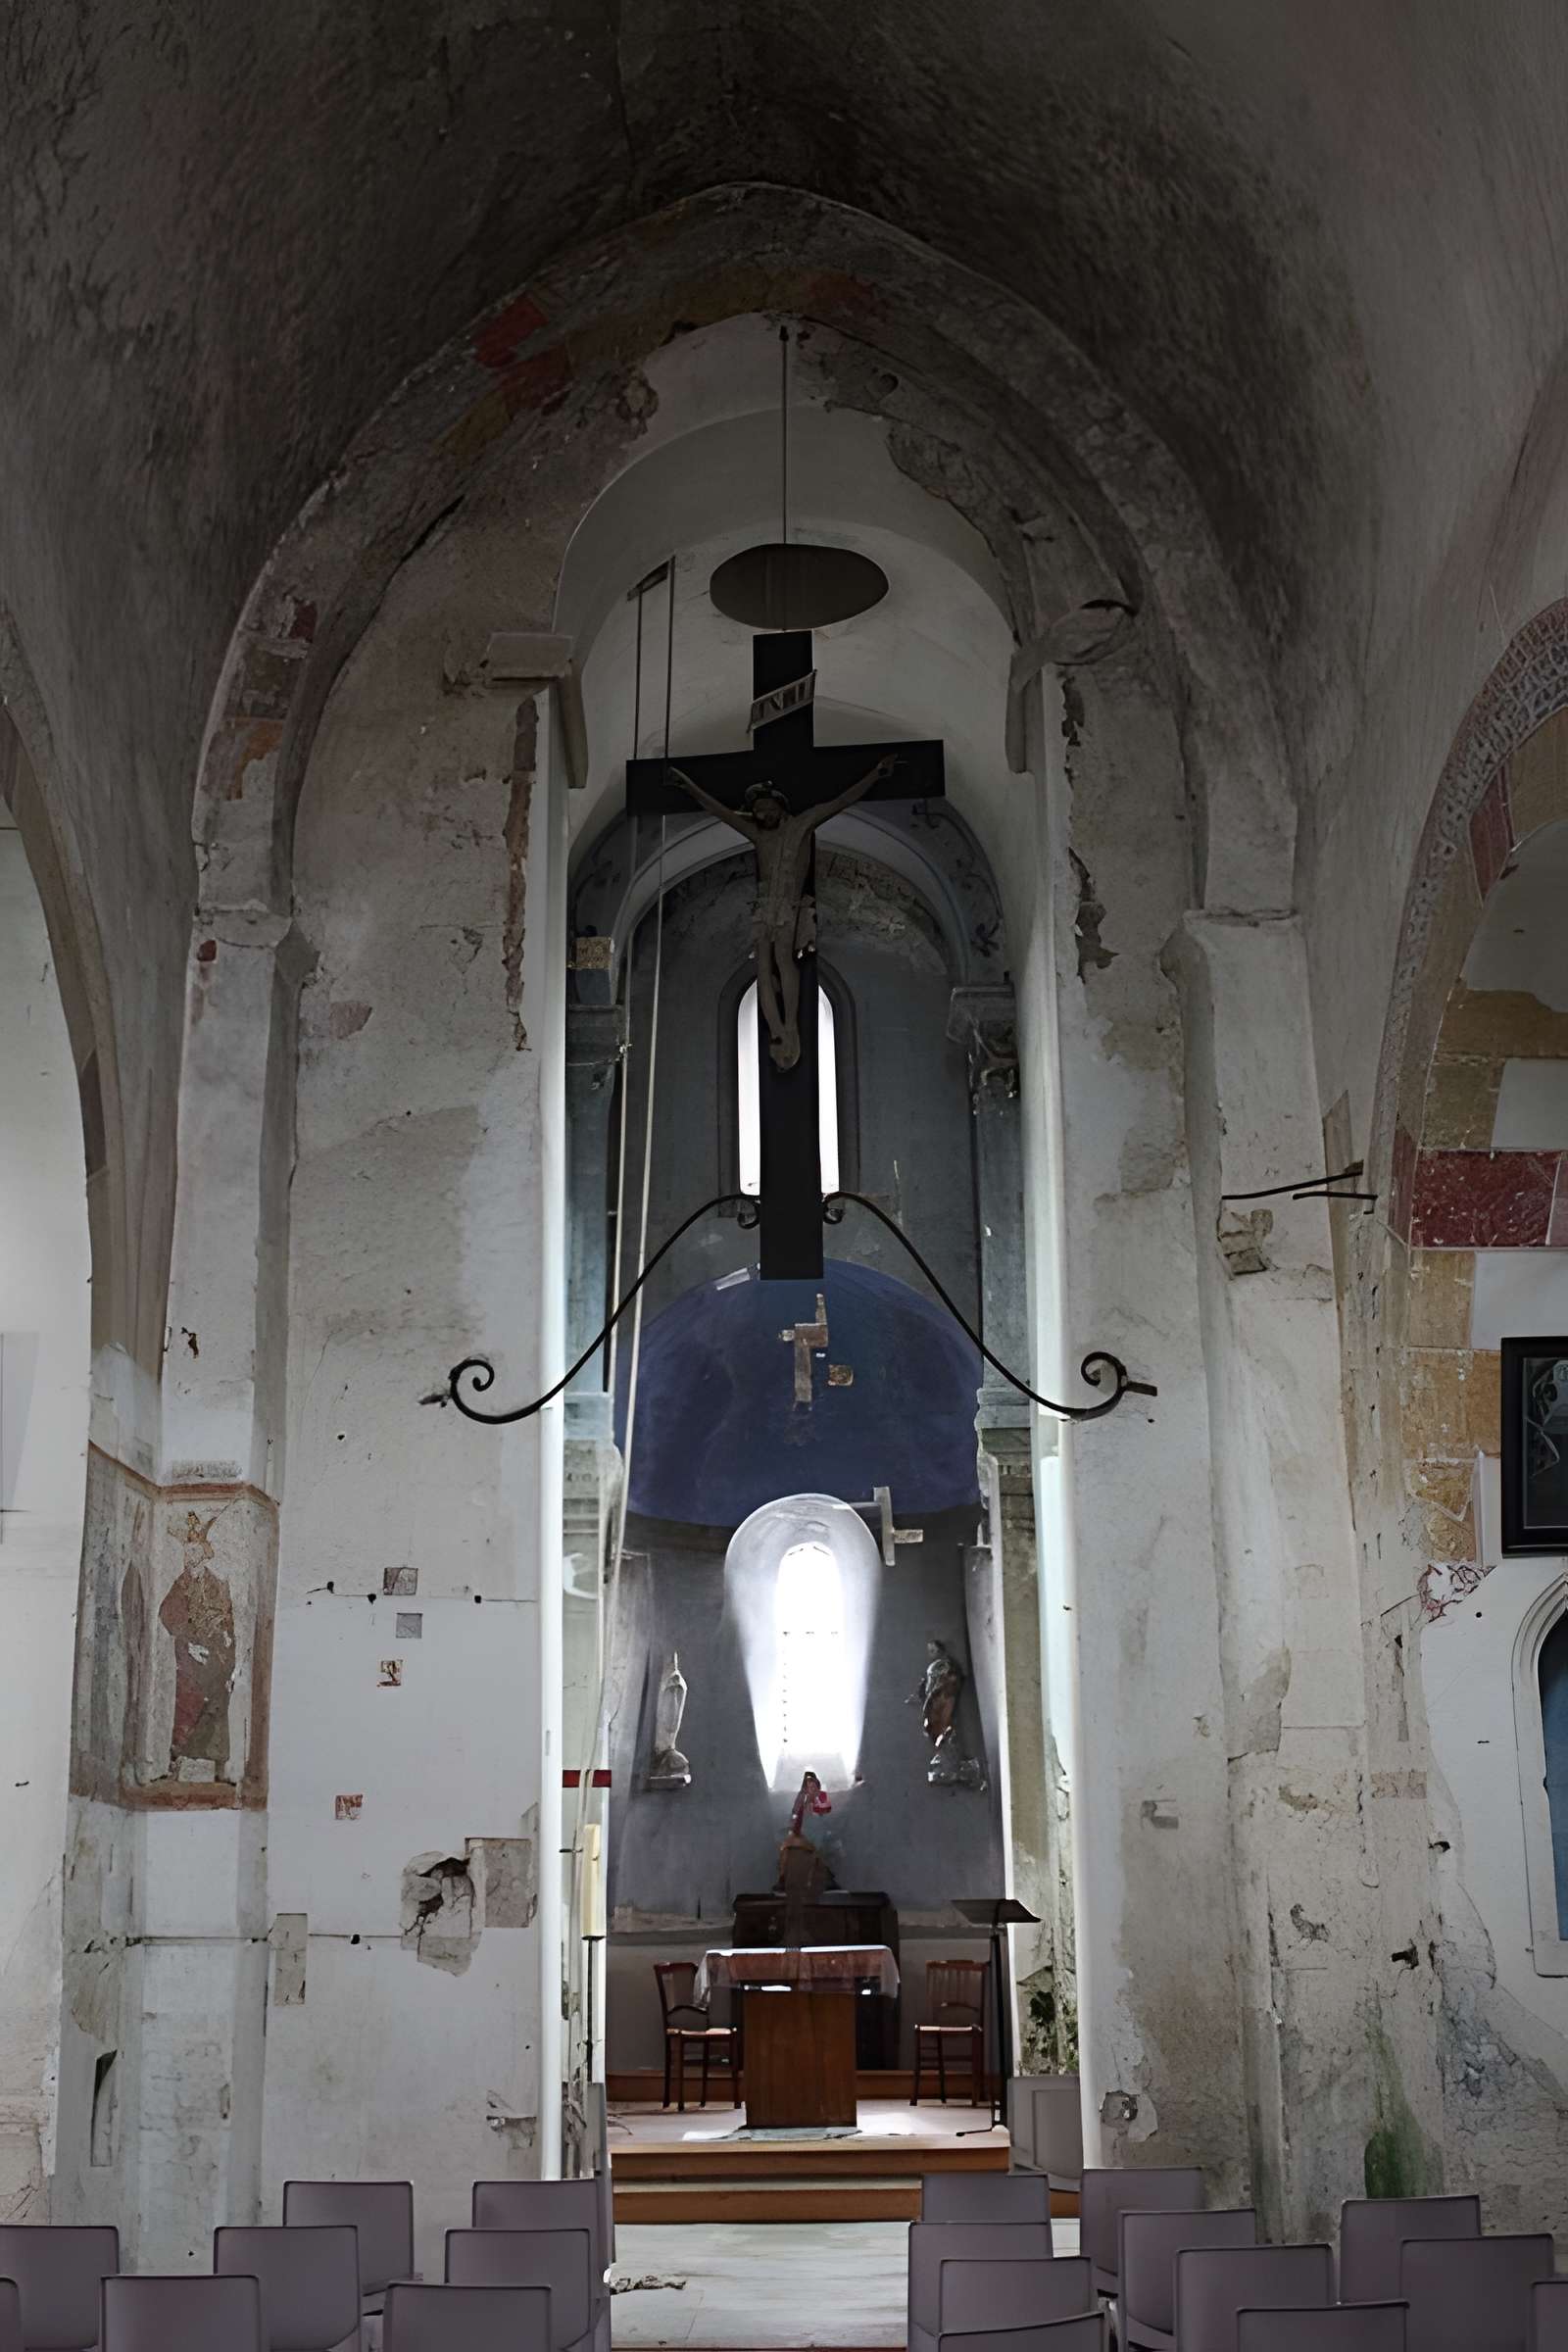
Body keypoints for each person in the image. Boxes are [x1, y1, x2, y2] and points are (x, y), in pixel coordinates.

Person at [669, 753, 901, 1067]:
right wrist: (688, 786)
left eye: (768, 809)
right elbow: (721, 812)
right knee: (762, 967)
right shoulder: (758, 835)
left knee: (782, 958)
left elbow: (841, 801)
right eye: (758, 811)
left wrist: (876, 773)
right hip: (765, 906)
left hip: (788, 906)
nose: (763, 815)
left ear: (781, 806)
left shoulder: (803, 824)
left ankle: (790, 1025)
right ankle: (777, 1029)